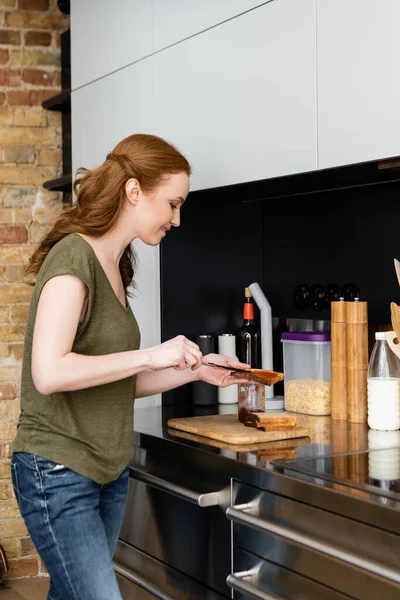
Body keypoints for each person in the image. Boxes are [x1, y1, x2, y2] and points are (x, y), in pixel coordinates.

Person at [10, 133, 249, 600]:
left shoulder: (116, 266)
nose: (177, 220)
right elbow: (49, 372)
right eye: (173, 204)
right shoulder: (73, 257)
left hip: (105, 470)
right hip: (57, 469)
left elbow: (117, 382)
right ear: (134, 191)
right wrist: (151, 352)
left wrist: (195, 370)